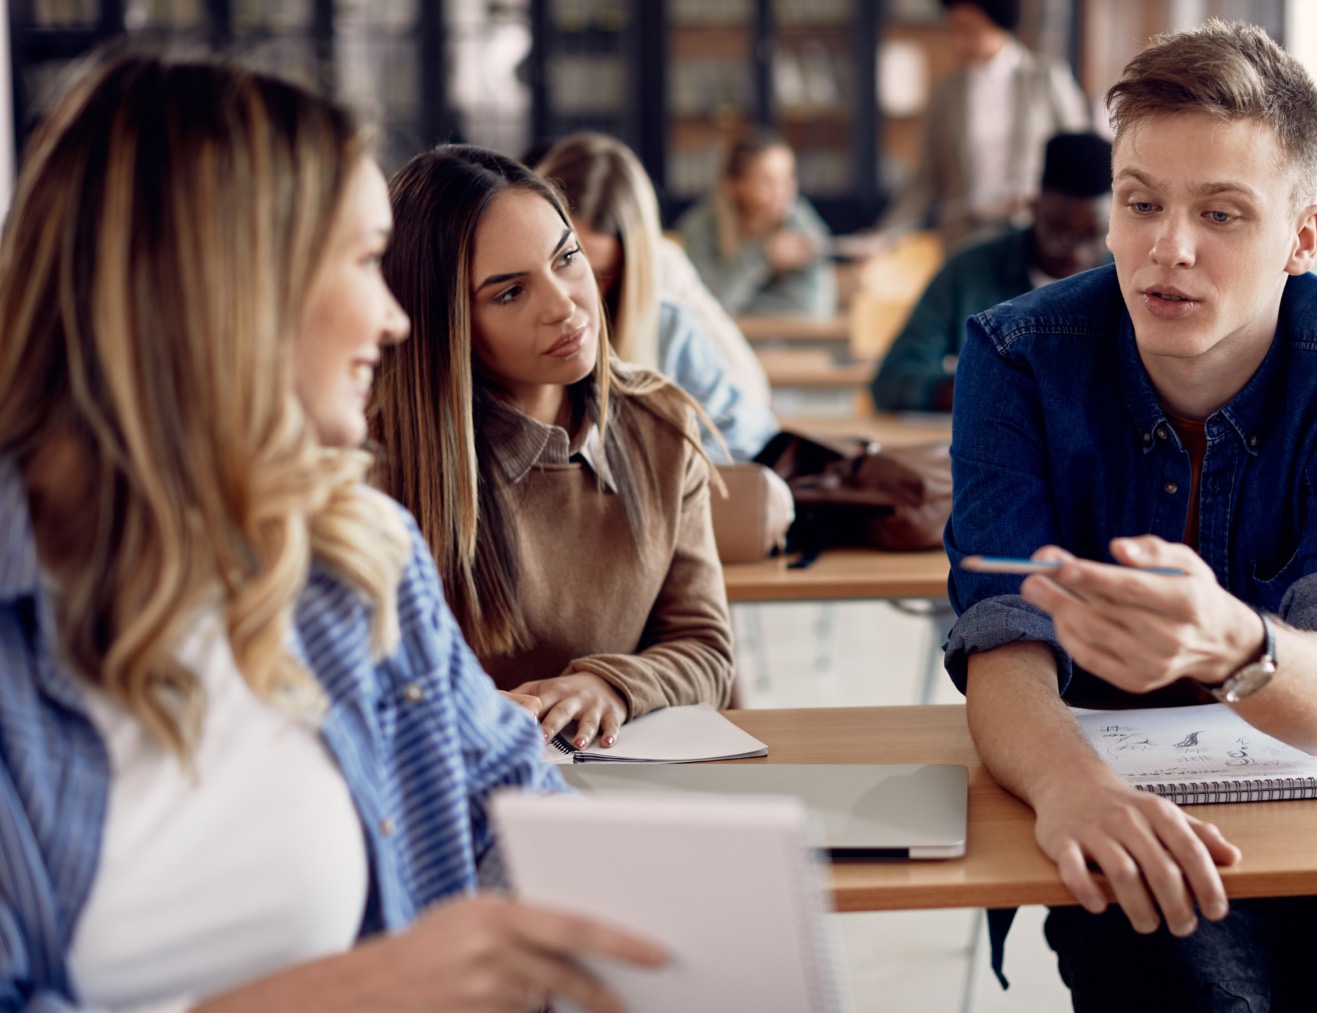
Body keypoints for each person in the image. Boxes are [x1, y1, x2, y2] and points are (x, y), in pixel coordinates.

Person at [0, 53, 664, 1011]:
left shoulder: (355, 559)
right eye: (362, 262)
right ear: (227, 286)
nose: (395, 317)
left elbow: (516, 825)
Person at [944, 23, 1317, 1009]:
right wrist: (1073, 789)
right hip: (1115, 797)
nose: (1167, 249)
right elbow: (1004, 642)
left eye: (1222, 213)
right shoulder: (1014, 356)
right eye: (1140, 203)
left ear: (1302, 237)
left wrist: (1233, 641)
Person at [371, 145, 734, 756]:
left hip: (623, 782)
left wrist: (611, 686)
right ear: (445, 321)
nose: (564, 305)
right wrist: (455, 708)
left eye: (567, 259)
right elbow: (344, 682)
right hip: (451, 794)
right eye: (510, 293)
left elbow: (706, 649)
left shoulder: (660, 424)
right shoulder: (379, 465)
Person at [535, 130, 779, 458]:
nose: (575, 301)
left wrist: (671, 470)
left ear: (632, 266)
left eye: (601, 275)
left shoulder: (667, 324)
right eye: (565, 265)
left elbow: (750, 429)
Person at [871, 131, 1113, 413]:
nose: (1076, 253)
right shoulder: (969, 271)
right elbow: (893, 380)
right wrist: (991, 390)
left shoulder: (1125, 280)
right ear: (1032, 208)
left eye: (1093, 237)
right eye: (1059, 235)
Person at [872, 0, 1090, 250]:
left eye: (969, 28)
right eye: (954, 29)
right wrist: (885, 235)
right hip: (963, 237)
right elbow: (925, 180)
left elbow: (1080, 161)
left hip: (1032, 233)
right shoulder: (946, 93)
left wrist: (1039, 196)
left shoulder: (1046, 79)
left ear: (998, 21)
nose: (959, 40)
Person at [675, 127, 836, 319]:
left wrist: (740, 305)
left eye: (788, 178)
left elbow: (814, 307)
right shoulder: (699, 228)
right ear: (736, 185)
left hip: (786, 343)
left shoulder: (799, 222)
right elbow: (704, 306)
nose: (782, 191)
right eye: (768, 181)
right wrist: (762, 255)